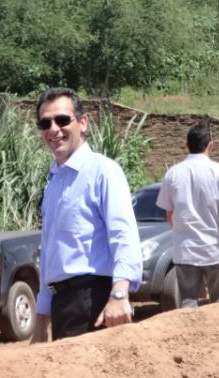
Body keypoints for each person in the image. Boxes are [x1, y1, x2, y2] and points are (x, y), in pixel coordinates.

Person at [30, 87, 142, 343]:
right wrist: (41, 321)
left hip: (95, 300)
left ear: (82, 123)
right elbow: (50, 254)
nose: (53, 129)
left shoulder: (103, 171)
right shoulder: (54, 182)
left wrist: (120, 294)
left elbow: (123, 234)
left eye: (62, 120)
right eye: (45, 123)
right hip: (64, 305)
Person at [156, 124, 219, 308]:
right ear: (211, 145)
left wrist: (180, 232)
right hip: (214, 249)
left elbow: (169, 214)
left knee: (187, 303)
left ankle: (189, 336)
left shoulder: (172, 174)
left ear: (186, 145)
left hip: (185, 250)